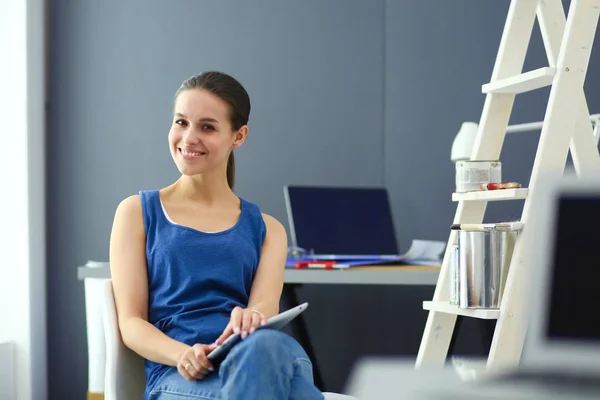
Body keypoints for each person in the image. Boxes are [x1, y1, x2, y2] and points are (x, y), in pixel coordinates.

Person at [109, 71, 324, 400]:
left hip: (257, 358)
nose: (189, 137)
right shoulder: (137, 212)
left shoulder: (268, 229)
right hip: (181, 375)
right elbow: (131, 323)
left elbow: (263, 308)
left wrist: (251, 319)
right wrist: (181, 354)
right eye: (181, 122)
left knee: (267, 348)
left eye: (207, 127)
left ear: (238, 137)